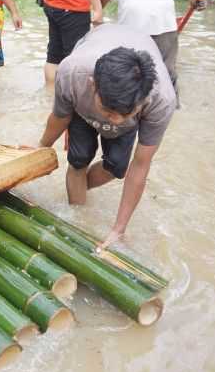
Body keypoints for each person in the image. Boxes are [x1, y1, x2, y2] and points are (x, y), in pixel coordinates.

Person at [35, 24, 176, 251]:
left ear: (142, 101)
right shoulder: (73, 73)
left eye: (126, 113)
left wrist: (118, 230)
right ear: (93, 85)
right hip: (84, 105)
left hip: (128, 87)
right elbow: (60, 117)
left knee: (117, 167)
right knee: (79, 158)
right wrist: (41, 147)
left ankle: (75, 186)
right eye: (108, 111)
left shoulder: (161, 100)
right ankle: (76, 210)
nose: (116, 120)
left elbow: (140, 165)